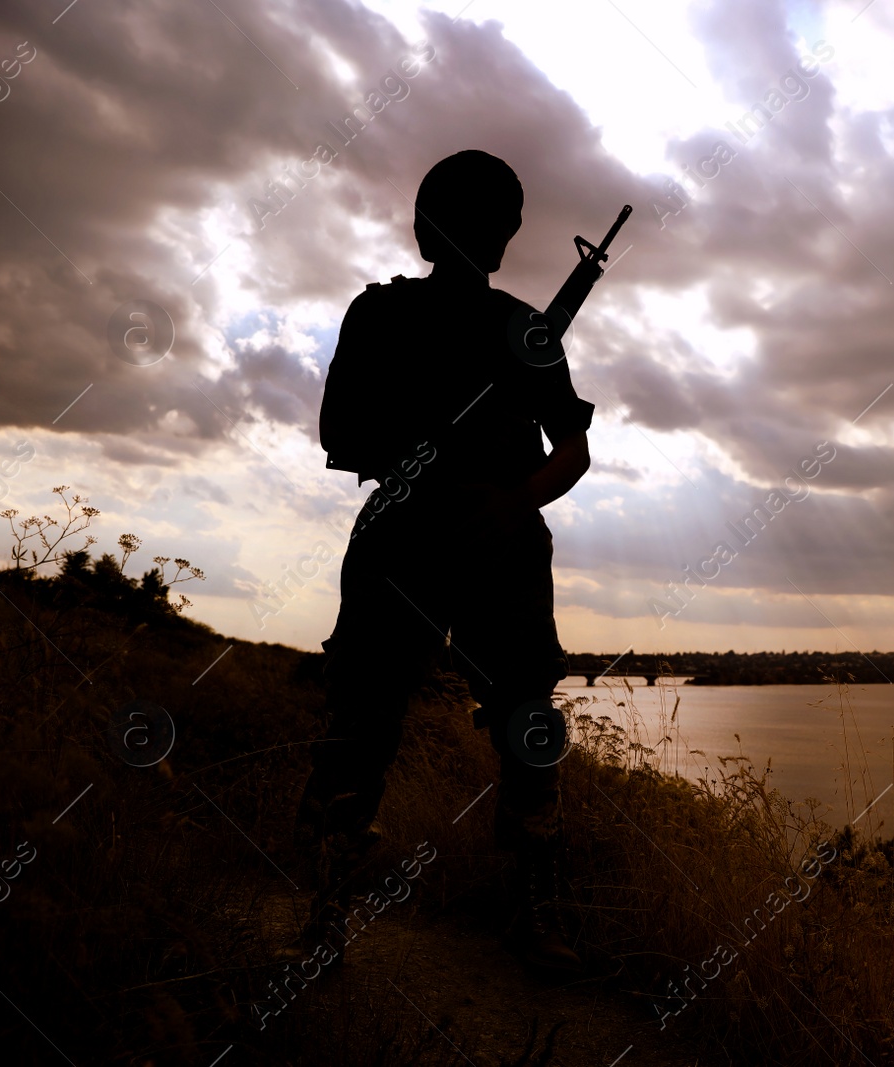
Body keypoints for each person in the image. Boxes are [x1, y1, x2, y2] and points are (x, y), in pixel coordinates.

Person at [292, 150, 593, 973]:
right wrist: (430, 456)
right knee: (362, 719)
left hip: (493, 540)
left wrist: (506, 500)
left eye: (500, 221)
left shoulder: (518, 326)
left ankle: (530, 915)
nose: (495, 237)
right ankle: (327, 908)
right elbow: (341, 432)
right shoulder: (382, 316)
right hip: (411, 531)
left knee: (522, 722)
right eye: (490, 221)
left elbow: (572, 450)